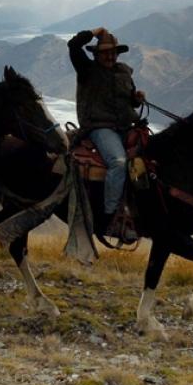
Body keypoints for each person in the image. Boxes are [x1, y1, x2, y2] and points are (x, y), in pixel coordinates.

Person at [68, 27, 146, 238]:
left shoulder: (124, 72)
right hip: (99, 128)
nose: (110, 56)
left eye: (113, 52)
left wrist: (136, 99)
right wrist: (95, 32)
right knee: (118, 162)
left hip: (125, 127)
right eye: (105, 53)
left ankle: (137, 212)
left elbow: (127, 101)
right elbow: (73, 46)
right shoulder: (87, 70)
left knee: (150, 159)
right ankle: (110, 218)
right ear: (95, 54)